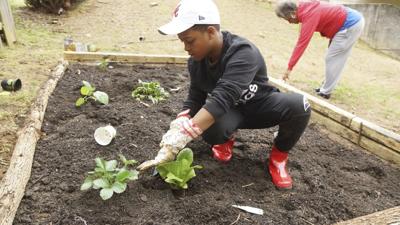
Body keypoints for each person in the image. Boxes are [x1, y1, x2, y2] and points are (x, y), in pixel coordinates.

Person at [137, 0, 311, 189]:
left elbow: (223, 97)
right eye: (183, 42)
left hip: (260, 105)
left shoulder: (243, 52)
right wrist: (179, 124)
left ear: (211, 32)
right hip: (230, 111)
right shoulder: (196, 62)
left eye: (190, 41)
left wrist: (183, 136)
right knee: (210, 127)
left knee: (300, 105)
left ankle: (279, 157)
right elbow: (195, 98)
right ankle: (224, 139)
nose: (186, 48)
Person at [275, 0, 365, 99]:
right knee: (332, 57)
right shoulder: (303, 9)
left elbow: (301, 44)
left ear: (292, 14)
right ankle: (325, 87)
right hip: (347, 21)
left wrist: (289, 68)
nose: (289, 22)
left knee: (333, 58)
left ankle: (326, 92)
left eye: (287, 19)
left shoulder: (309, 15)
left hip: (350, 24)